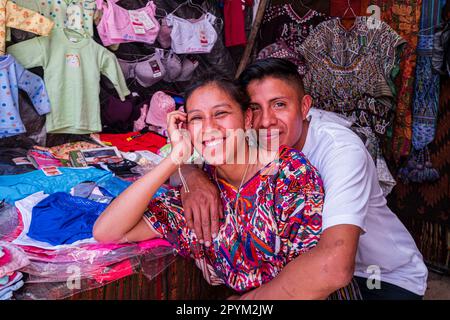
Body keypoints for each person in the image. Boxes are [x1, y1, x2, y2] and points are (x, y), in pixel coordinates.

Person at [179, 58, 428, 300]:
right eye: (255, 108)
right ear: (245, 115)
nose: (266, 121)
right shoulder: (255, 144)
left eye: (279, 105)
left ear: (305, 107)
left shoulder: (339, 150)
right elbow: (204, 151)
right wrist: (192, 173)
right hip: (308, 272)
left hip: (379, 278)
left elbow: (334, 267)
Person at [93, 74, 325, 293]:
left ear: (247, 118)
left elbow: (312, 274)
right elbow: (107, 231)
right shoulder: (199, 196)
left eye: (221, 113)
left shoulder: (289, 173)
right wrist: (175, 159)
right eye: (196, 118)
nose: (209, 127)